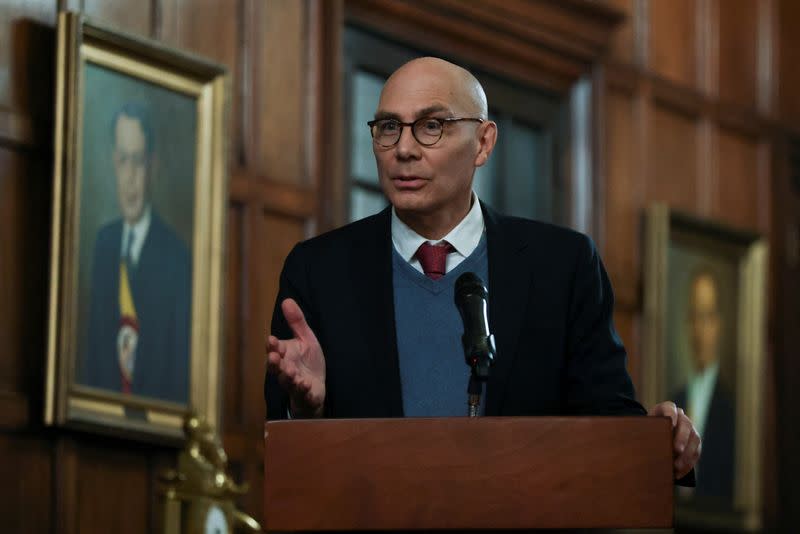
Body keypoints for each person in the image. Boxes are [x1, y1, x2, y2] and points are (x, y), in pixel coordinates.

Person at [264, 57, 700, 481]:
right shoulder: (319, 270)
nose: (404, 149)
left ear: (484, 142)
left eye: (432, 126)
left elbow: (607, 421)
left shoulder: (562, 266)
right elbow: (285, 451)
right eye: (389, 127)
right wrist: (306, 409)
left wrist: (654, 436)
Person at [82, 103, 192, 404]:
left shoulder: (176, 257)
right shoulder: (104, 244)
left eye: (138, 161)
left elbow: (177, 372)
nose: (130, 177)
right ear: (112, 163)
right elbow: (93, 355)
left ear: (152, 166)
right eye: (122, 161)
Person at [674, 270, 735, 498]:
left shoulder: (731, 408)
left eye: (707, 317)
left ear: (719, 324)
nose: (700, 330)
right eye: (695, 317)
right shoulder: (675, 399)